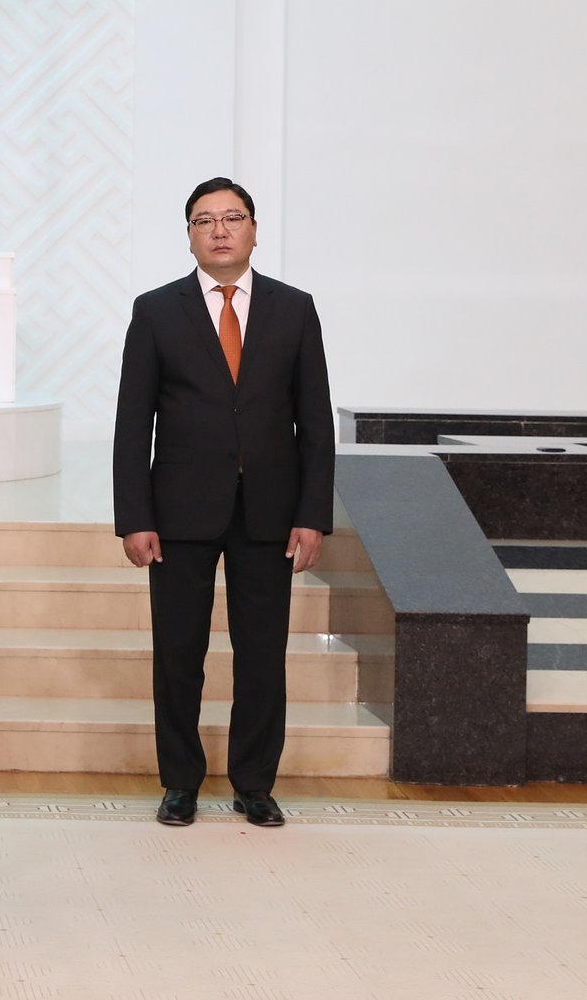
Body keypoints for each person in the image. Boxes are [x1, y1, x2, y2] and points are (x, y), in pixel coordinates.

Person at [112, 177, 334, 829]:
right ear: (189, 235)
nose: (219, 230)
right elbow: (133, 424)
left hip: (270, 510)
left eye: (232, 217)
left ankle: (254, 784)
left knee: (262, 655)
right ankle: (180, 782)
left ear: (254, 230)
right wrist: (135, 517)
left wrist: (312, 513)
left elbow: (315, 421)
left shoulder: (294, 309)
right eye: (204, 220)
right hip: (179, 512)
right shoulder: (157, 310)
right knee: (178, 654)